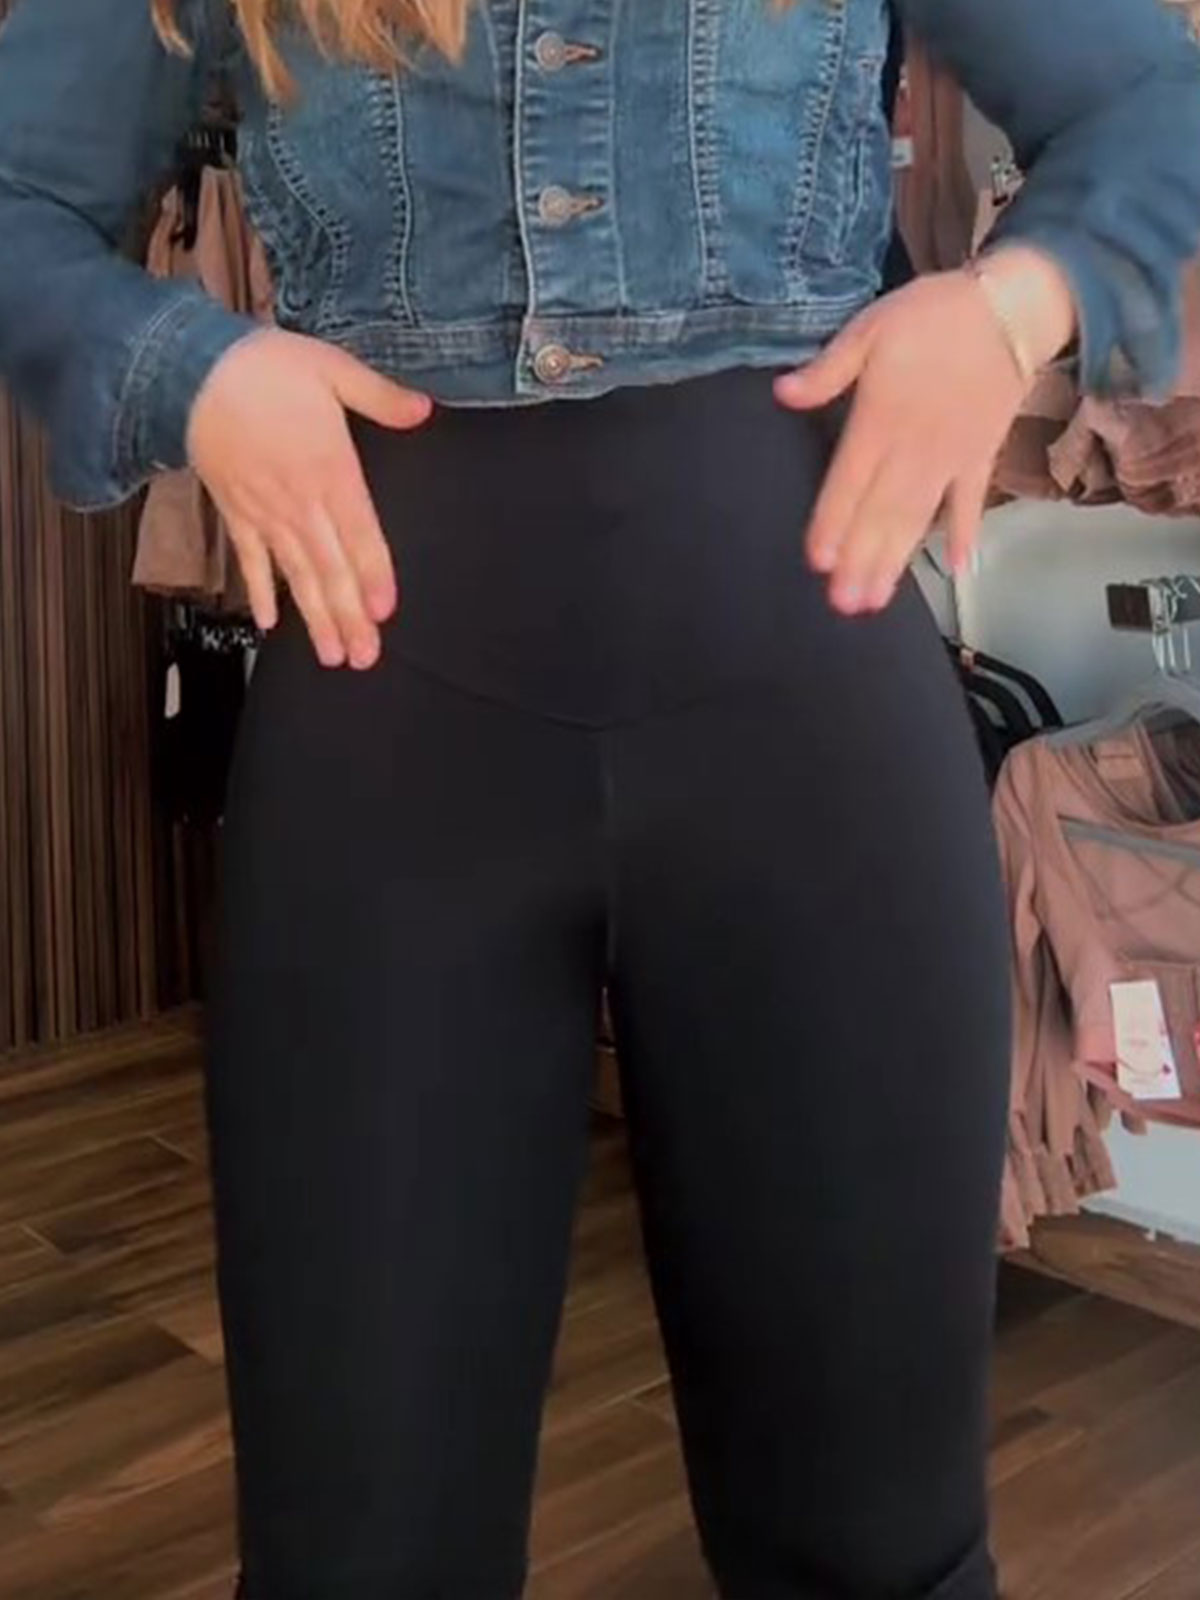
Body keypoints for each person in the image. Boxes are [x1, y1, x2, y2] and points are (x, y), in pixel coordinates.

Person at [1, 2, 1198, 1596]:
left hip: (813, 750)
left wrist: (1011, 308)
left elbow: (1161, 108)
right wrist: (189, 376)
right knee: (360, 1559)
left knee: (879, 1557)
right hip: (386, 763)